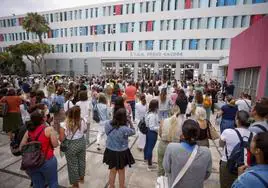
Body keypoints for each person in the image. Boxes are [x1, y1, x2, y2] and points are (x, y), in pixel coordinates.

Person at [163, 119, 212, 188]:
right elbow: (207, 174)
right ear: (197, 134)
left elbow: (166, 168)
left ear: (182, 134)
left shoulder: (171, 148)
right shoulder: (206, 152)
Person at [20, 110, 59, 188]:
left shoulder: (28, 131)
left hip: (33, 162)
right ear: (43, 119)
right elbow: (55, 145)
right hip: (47, 160)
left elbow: (21, 147)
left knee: (38, 185)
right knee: (53, 182)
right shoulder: (49, 129)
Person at [219, 110, 253, 188]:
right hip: (246, 166)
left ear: (237, 120)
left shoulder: (227, 132)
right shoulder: (253, 135)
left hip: (227, 163)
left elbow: (221, 144)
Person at [103, 108, 135, 188]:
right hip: (121, 152)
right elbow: (133, 131)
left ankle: (112, 186)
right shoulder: (125, 129)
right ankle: (121, 186)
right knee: (121, 171)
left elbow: (107, 133)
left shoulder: (107, 123)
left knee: (112, 171)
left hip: (110, 150)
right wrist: (130, 122)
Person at [59, 106, 87, 188]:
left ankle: (75, 185)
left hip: (71, 145)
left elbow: (61, 139)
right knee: (81, 161)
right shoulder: (82, 121)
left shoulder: (64, 124)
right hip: (81, 142)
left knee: (72, 165)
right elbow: (85, 130)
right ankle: (81, 178)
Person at [158, 104, 183, 176]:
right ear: (179, 113)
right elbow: (181, 137)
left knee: (160, 167)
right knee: (173, 169)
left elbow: (160, 134)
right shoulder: (181, 124)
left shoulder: (163, 121)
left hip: (163, 145)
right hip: (175, 146)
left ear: (170, 112)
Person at [144, 99, 159, 171]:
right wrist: (160, 127)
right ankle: (149, 165)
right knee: (150, 148)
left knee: (147, 146)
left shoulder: (148, 112)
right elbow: (152, 127)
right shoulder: (152, 115)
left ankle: (146, 159)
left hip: (148, 132)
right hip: (152, 133)